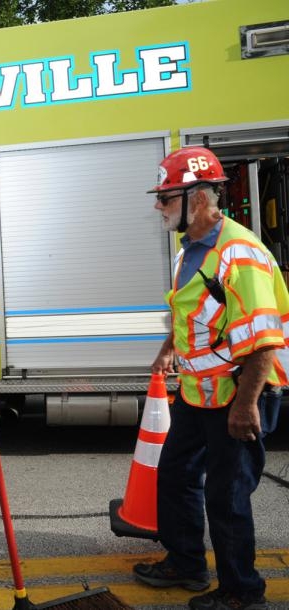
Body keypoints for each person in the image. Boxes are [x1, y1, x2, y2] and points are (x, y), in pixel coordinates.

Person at [132, 147, 289, 610]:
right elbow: (192, 314)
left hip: (238, 395)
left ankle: (243, 591)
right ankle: (186, 563)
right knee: (177, 474)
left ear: (197, 200)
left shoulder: (237, 253)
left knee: (226, 496)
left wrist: (245, 406)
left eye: (166, 198)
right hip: (199, 394)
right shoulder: (190, 251)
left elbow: (264, 340)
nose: (158, 207)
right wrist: (168, 351)